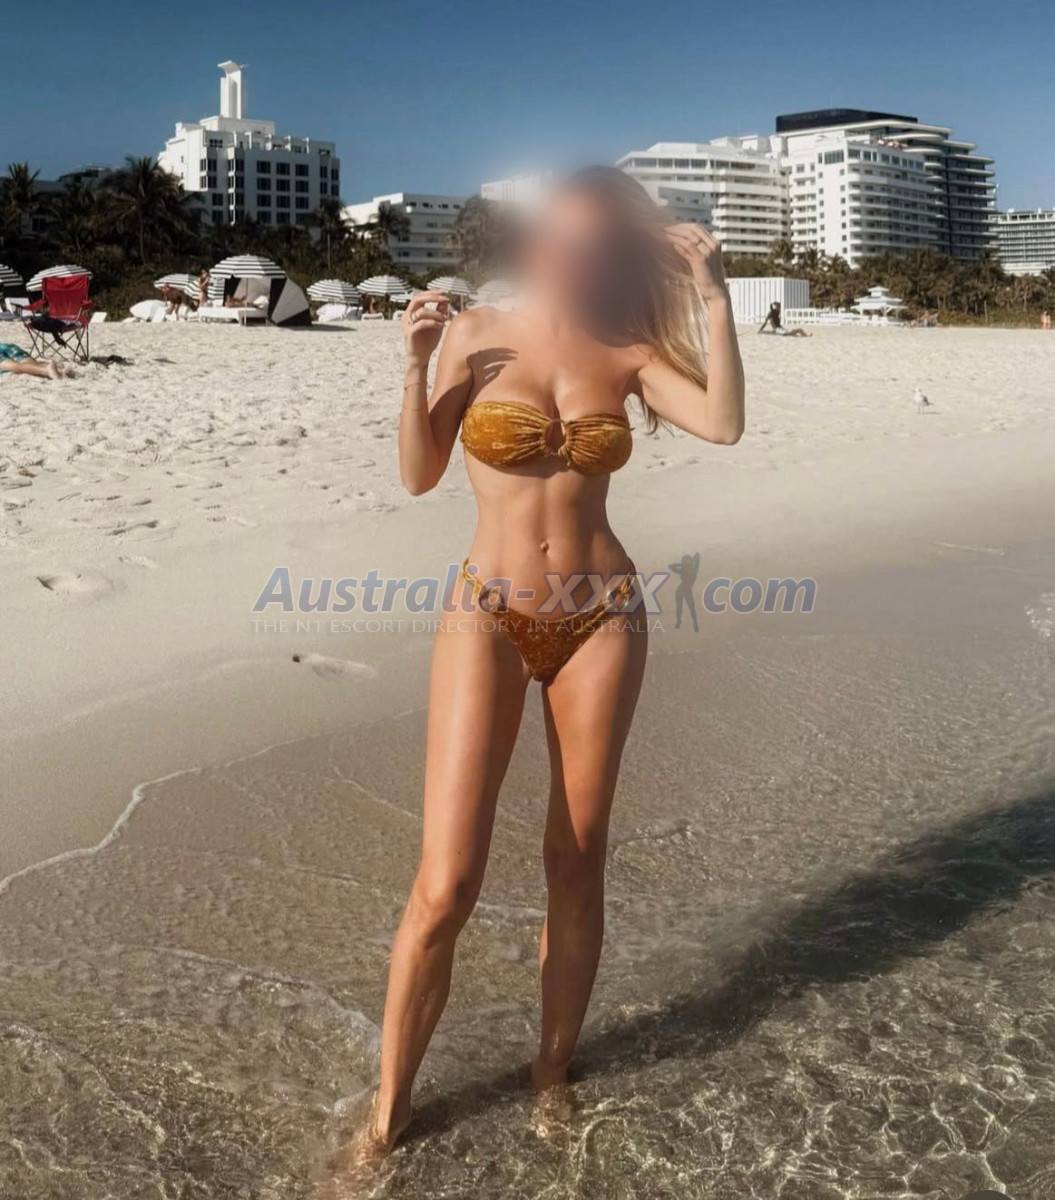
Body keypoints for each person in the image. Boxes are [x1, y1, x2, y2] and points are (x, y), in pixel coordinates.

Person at [361, 167, 745, 1156]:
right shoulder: (474, 333)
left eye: (590, 242)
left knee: (576, 861)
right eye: (555, 235)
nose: (567, 255)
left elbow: (722, 423)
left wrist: (711, 299)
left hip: (602, 616)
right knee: (446, 881)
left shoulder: (628, 350)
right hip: (487, 612)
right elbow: (418, 474)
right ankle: (387, 1117)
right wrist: (414, 366)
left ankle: (550, 1075)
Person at [0, 343, 67, 379]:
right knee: (30, 363)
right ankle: (60, 370)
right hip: (6, 346)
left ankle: (46, 370)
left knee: (14, 366)